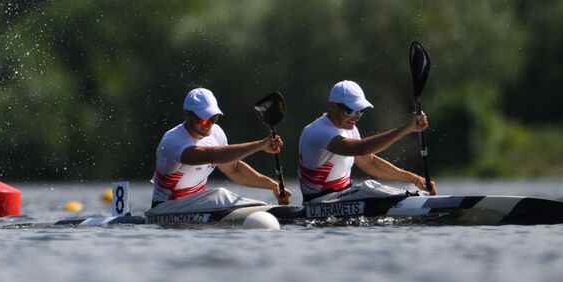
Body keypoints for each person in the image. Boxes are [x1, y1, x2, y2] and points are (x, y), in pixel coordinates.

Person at [150, 87, 291, 211]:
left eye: (213, 118)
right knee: (219, 194)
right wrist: (260, 145)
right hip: (165, 209)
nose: (209, 124)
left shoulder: (216, 133)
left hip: (197, 207)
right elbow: (213, 156)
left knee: (219, 196)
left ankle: (269, 211)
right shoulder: (173, 141)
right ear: (186, 115)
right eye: (203, 119)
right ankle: (268, 212)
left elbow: (234, 169)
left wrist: (274, 186)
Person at [298, 80, 434, 201]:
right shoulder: (318, 131)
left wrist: (415, 179)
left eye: (360, 111)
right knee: (369, 186)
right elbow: (361, 149)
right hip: (319, 201)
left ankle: (415, 198)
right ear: (333, 106)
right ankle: (415, 200)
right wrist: (406, 128)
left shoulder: (351, 129)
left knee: (370, 187)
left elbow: (370, 163)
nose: (356, 117)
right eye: (351, 111)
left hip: (342, 196)